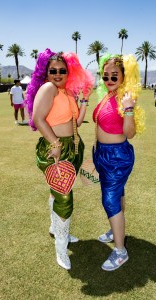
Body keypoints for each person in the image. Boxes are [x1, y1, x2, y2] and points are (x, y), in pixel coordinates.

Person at [25, 49, 94, 270]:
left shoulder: (66, 92)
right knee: (64, 198)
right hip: (55, 148)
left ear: (68, 72)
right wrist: (55, 144)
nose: (57, 74)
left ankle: (56, 229)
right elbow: (38, 118)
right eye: (52, 70)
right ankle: (61, 249)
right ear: (45, 73)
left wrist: (84, 101)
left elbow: (77, 122)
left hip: (71, 147)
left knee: (58, 192)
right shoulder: (48, 88)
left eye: (62, 70)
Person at [92, 53, 145, 271]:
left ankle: (121, 251)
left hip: (117, 157)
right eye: (105, 76)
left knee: (110, 200)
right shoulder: (107, 94)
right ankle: (116, 232)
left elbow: (129, 133)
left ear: (124, 76)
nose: (109, 79)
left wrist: (130, 109)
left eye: (115, 75)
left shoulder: (125, 97)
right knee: (118, 194)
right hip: (103, 154)